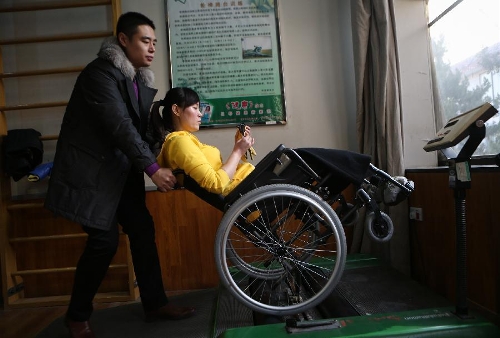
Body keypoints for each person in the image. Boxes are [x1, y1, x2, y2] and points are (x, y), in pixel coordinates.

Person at [44, 13, 194, 338]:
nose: (152, 48)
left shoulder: (138, 80)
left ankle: (154, 305)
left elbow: (139, 133)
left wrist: (162, 126)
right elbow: (119, 127)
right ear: (123, 40)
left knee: (142, 229)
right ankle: (76, 316)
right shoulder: (98, 74)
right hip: (91, 175)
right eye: (145, 41)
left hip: (120, 172)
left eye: (154, 42)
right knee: (104, 242)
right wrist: (153, 168)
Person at [151, 87, 255, 196]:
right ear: (176, 110)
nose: (200, 114)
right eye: (195, 108)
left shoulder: (183, 140)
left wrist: (239, 147)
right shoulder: (179, 142)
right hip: (245, 193)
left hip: (247, 189)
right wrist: (237, 151)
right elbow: (216, 184)